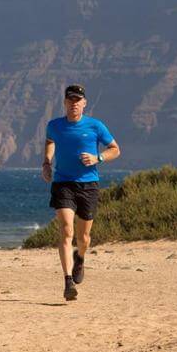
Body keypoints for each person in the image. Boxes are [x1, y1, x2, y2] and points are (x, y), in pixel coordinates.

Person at [42, 83, 120, 301]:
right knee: (66, 230)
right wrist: (47, 163)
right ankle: (68, 282)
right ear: (65, 102)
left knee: (83, 237)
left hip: (88, 184)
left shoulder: (96, 126)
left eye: (78, 100)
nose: (74, 103)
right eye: (70, 100)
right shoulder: (54, 125)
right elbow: (50, 142)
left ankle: (81, 257)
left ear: (84, 103)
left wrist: (98, 158)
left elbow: (115, 149)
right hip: (63, 182)